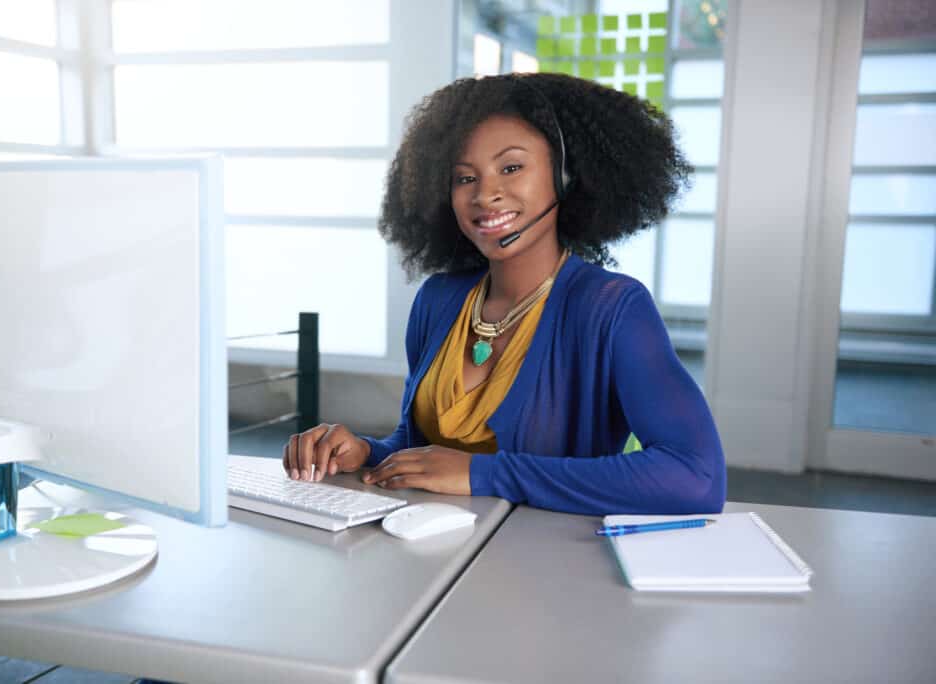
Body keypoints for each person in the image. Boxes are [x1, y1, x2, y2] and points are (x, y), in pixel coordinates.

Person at [282, 72, 726, 515]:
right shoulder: (439, 300)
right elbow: (424, 450)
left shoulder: (611, 308)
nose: (485, 195)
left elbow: (695, 477)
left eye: (511, 168)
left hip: (543, 562)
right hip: (433, 554)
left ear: (566, 177)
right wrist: (364, 452)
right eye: (464, 178)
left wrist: (484, 474)